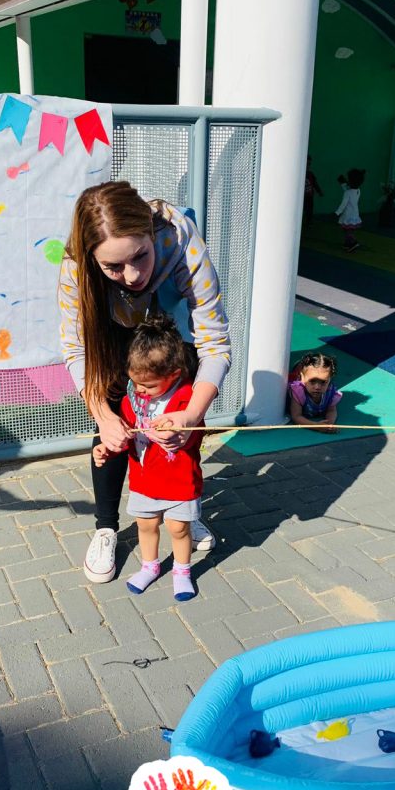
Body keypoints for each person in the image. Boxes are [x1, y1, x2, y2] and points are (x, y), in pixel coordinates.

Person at [58, 181, 231, 583]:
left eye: (140, 255)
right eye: (114, 266)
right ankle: (106, 527)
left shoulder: (179, 236)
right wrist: (104, 418)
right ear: (92, 259)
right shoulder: (75, 267)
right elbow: (75, 350)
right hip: (113, 333)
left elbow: (215, 344)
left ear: (152, 234)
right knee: (115, 419)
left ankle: (183, 506)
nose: (133, 275)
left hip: (169, 331)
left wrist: (191, 414)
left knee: (179, 413)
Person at [93, 314, 202, 601]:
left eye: (149, 386)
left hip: (179, 480)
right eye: (136, 383)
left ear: (174, 374)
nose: (141, 390)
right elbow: (126, 435)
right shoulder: (132, 399)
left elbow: (197, 434)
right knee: (146, 524)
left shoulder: (187, 399)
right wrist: (108, 448)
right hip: (144, 480)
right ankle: (150, 566)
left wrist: (182, 434)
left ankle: (182, 571)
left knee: (178, 528)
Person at [287, 352, 342, 432]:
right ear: (302, 378)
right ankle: (298, 366)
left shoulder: (330, 391)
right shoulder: (298, 392)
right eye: (312, 381)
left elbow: (331, 410)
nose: (317, 387)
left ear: (330, 379)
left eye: (323, 382)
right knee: (291, 376)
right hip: (294, 377)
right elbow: (296, 416)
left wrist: (329, 424)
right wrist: (316, 426)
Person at [335, 169, 365, 253]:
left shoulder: (347, 193)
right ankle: (347, 243)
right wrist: (343, 183)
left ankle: (354, 243)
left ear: (350, 181)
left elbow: (343, 204)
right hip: (354, 215)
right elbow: (348, 190)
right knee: (349, 230)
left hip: (347, 215)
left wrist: (337, 213)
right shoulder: (358, 190)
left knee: (347, 231)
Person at [303, 155, 324, 226]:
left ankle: (308, 223)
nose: (308, 166)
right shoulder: (299, 174)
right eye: (307, 164)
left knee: (309, 211)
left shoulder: (310, 174)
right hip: (302, 197)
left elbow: (315, 184)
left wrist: (319, 191)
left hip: (309, 196)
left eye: (309, 164)